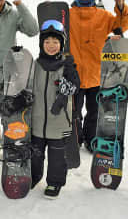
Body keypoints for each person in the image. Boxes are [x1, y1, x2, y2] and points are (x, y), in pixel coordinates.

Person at [69, 0, 128, 152]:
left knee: (95, 112)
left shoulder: (103, 15)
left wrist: (120, 7)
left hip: (97, 73)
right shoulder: (68, 14)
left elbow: (121, 25)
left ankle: (91, 139)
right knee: (74, 112)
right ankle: (75, 139)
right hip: (74, 74)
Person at [31, 20, 80, 199]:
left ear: (61, 44)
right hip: (37, 119)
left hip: (58, 121)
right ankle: (34, 176)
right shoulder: (35, 65)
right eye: (47, 42)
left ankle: (54, 182)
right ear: (41, 44)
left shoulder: (66, 65)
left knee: (57, 156)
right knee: (36, 153)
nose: (51, 46)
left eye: (55, 42)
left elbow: (75, 85)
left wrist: (68, 75)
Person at [0, 0, 38, 103]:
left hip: (8, 75)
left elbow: (33, 30)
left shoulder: (14, 15)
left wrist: (21, 7)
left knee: (9, 115)